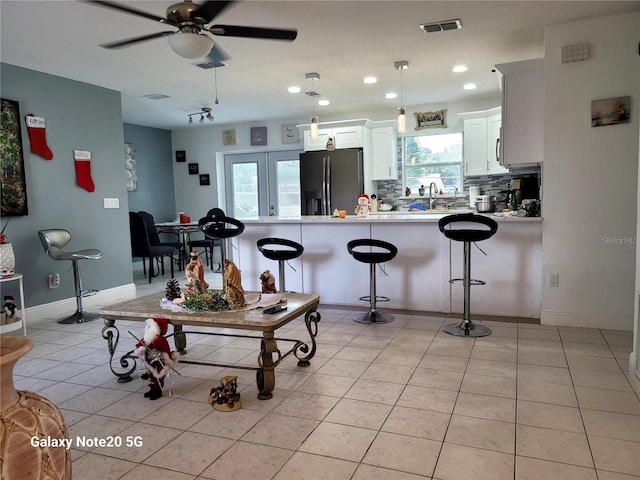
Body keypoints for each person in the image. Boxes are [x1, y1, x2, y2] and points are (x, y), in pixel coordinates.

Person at [135, 317, 179, 400]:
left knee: (158, 376)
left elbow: (165, 351)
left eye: (150, 326)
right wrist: (141, 349)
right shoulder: (147, 337)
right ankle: (152, 389)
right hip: (149, 361)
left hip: (158, 362)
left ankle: (158, 391)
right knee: (149, 376)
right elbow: (140, 344)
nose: (148, 328)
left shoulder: (161, 340)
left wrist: (164, 357)